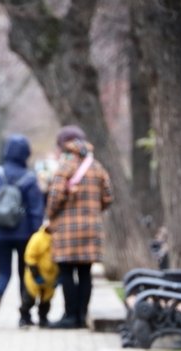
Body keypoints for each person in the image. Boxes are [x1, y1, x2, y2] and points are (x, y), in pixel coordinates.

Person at [46, 125, 113, 329]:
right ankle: (83, 315)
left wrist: (50, 215)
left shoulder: (65, 165)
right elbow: (108, 197)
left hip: (68, 229)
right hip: (92, 228)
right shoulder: (97, 166)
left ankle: (70, 316)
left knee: (66, 271)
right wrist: (93, 210)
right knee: (85, 272)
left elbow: (55, 197)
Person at [0, 134, 44, 326]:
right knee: (24, 273)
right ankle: (24, 316)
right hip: (24, 234)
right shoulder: (30, 179)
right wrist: (35, 234)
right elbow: (36, 210)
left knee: (3, 272)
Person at [22, 223, 59, 328]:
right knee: (29, 299)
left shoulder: (58, 239)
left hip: (50, 278)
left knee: (46, 301)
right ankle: (24, 317)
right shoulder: (38, 238)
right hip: (35, 276)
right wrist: (35, 273)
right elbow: (30, 256)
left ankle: (43, 319)